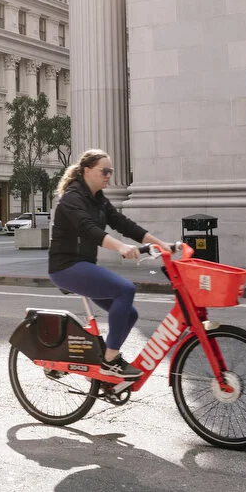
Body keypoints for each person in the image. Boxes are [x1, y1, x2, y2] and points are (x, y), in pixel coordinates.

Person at [48, 149, 172, 380]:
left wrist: (161, 244)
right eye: (104, 171)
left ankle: (101, 361)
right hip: (66, 267)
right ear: (87, 171)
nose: (108, 176)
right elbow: (88, 229)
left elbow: (124, 224)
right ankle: (111, 360)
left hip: (84, 267)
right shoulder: (72, 198)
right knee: (125, 289)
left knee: (130, 314)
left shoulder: (99, 200)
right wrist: (121, 247)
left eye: (110, 172)